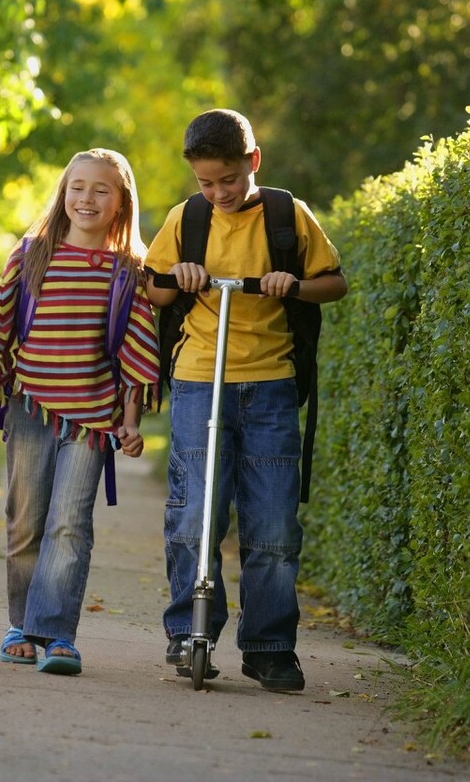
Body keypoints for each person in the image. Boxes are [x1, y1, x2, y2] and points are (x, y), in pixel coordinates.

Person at [145, 109, 348, 691]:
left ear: (252, 162)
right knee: (193, 515)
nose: (218, 193)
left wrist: (294, 284)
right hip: (198, 380)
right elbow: (155, 289)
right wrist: (180, 274)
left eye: (227, 180)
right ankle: (189, 631)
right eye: (206, 183)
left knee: (274, 523)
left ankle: (269, 647)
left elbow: (334, 282)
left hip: (270, 385)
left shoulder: (289, 215)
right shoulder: (187, 219)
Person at [0, 149, 160, 675]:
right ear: (63, 193)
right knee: (26, 521)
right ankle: (21, 625)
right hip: (30, 407)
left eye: (101, 190)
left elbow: (136, 353)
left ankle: (56, 634)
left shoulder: (127, 272)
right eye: (78, 187)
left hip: (92, 420)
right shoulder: (32, 254)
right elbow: (0, 326)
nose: (87, 198)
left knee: (70, 526)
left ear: (121, 204)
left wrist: (131, 420)